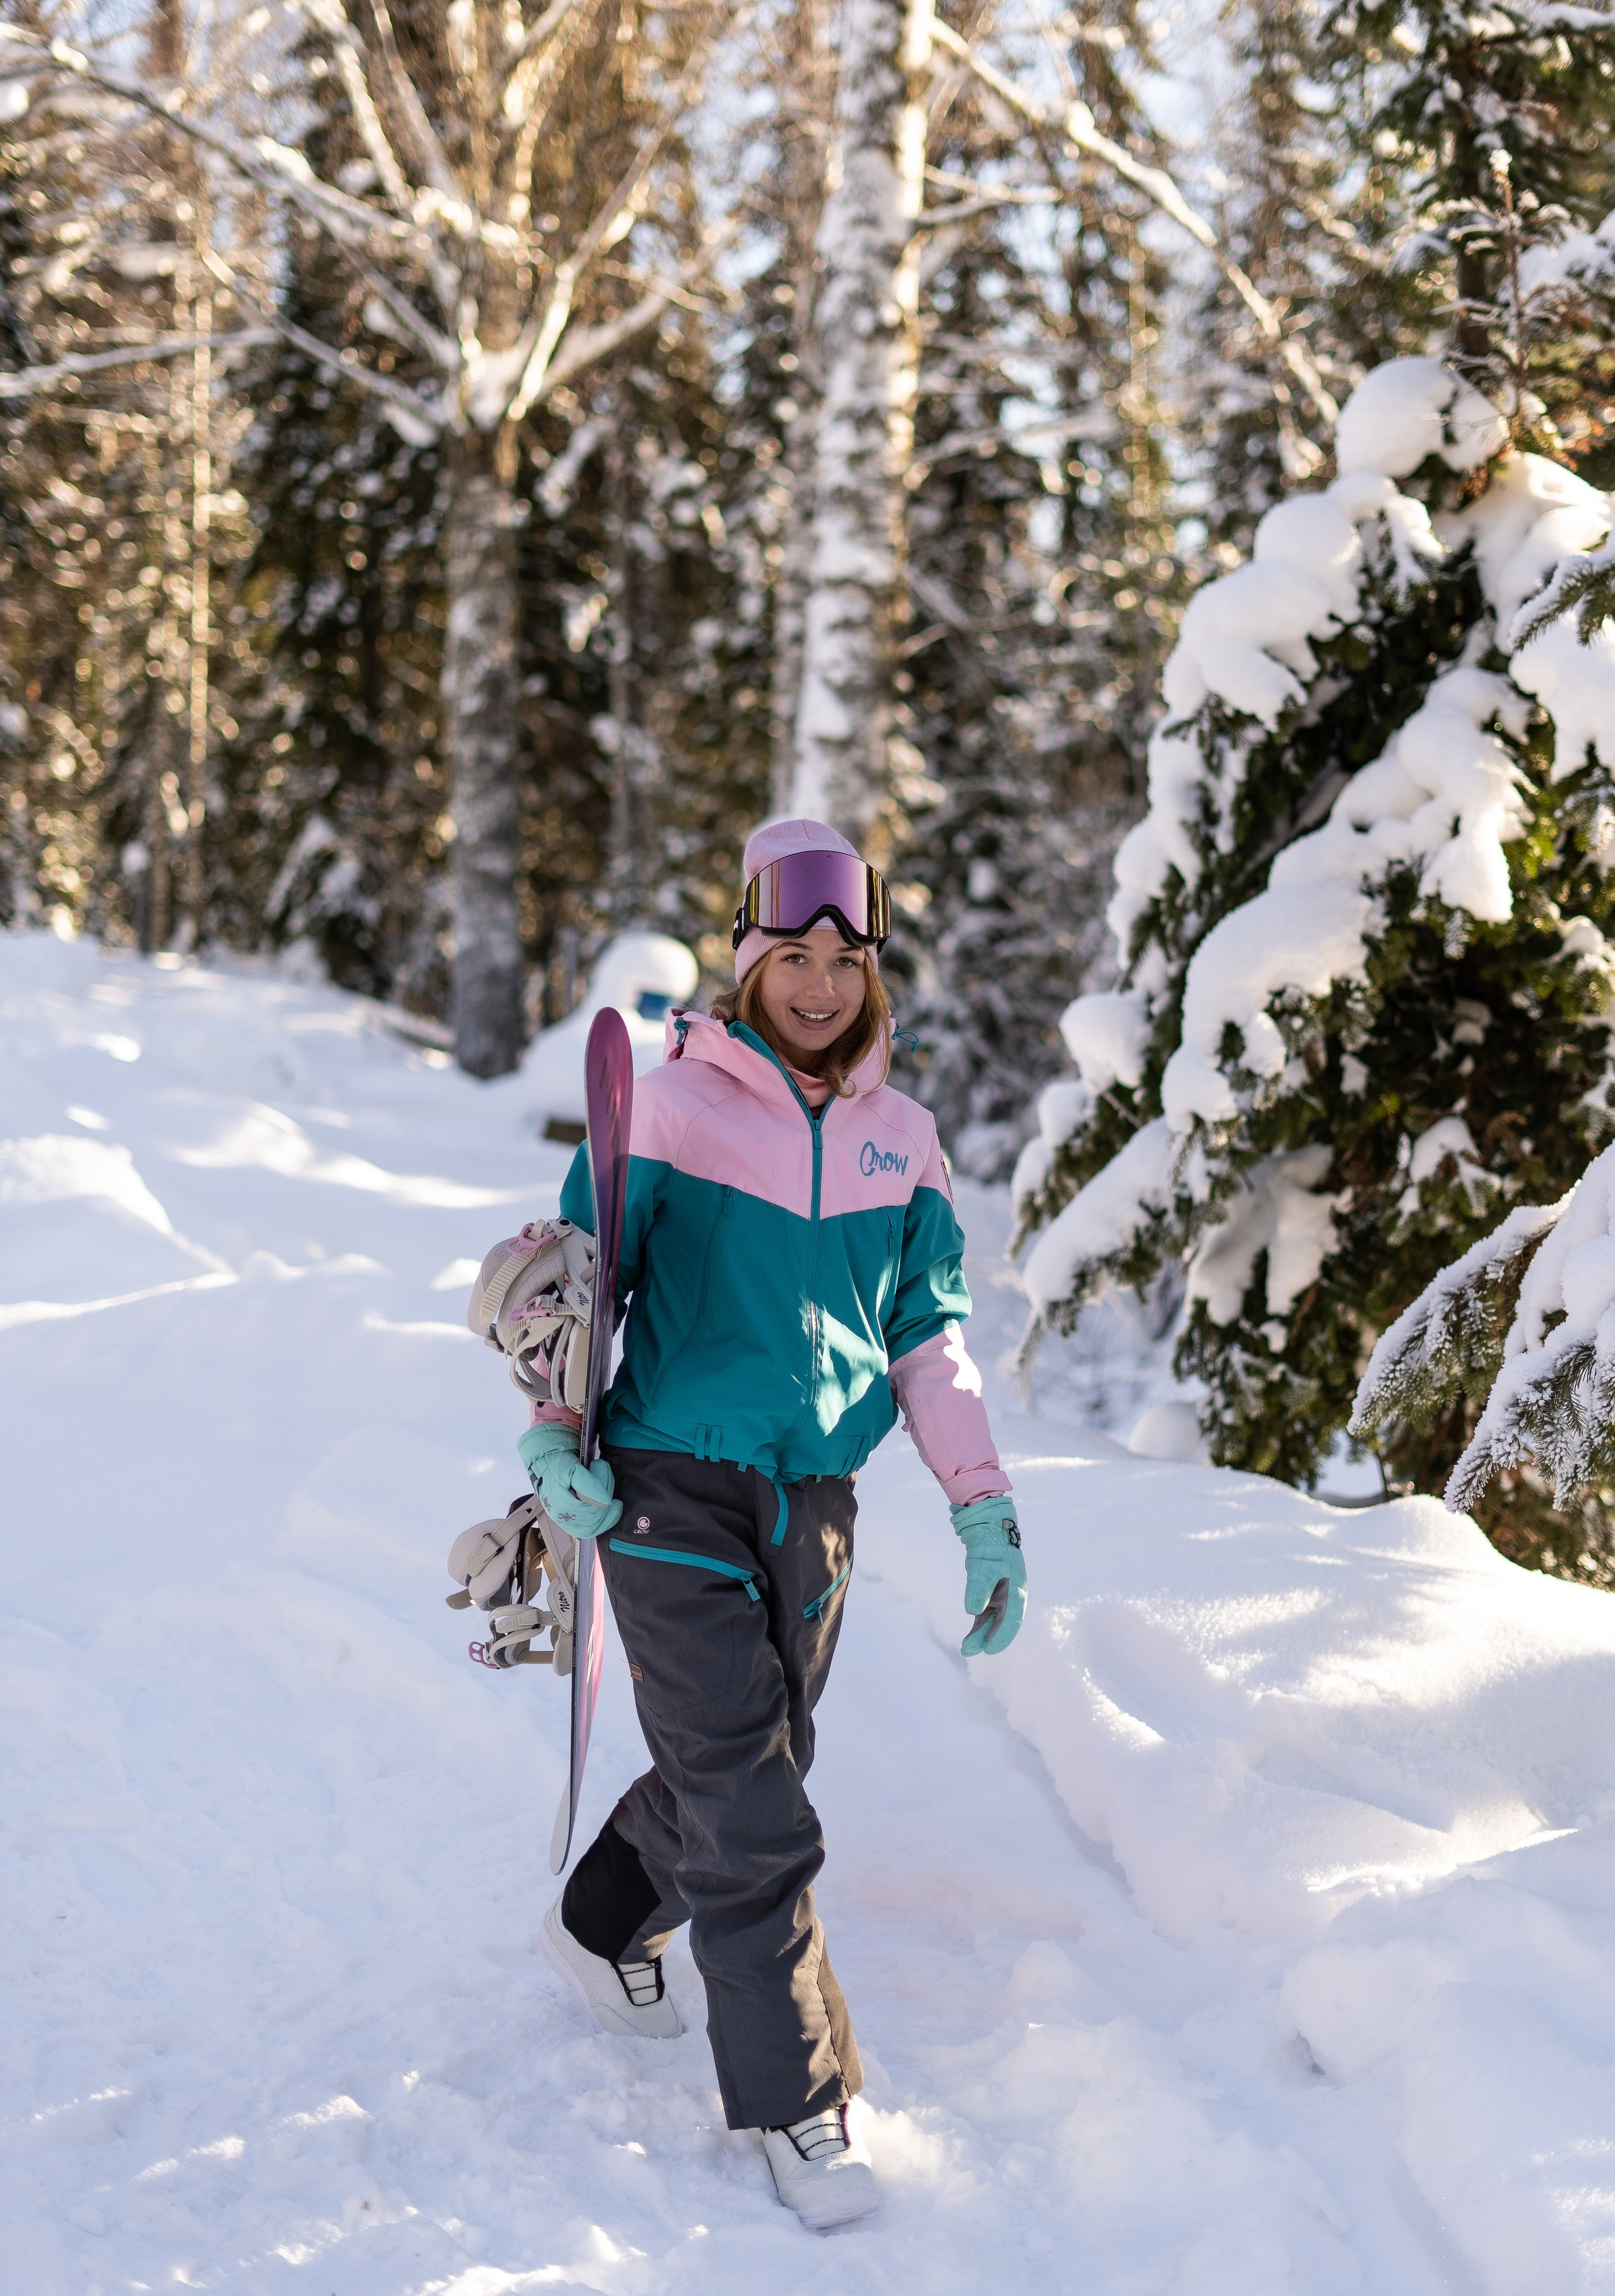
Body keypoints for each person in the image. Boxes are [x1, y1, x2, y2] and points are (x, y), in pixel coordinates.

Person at [517, 817, 1027, 2230]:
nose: (816, 984)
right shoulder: (671, 1107)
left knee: (753, 1755)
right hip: (663, 1482)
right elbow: (571, 1287)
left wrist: (983, 1507)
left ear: (874, 972)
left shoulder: (904, 1147)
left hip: (813, 1501)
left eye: (842, 958)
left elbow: (930, 1341)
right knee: (756, 1805)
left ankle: (605, 1915)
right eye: (789, 954)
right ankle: (802, 2104)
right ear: (747, 961)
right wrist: (552, 1441)